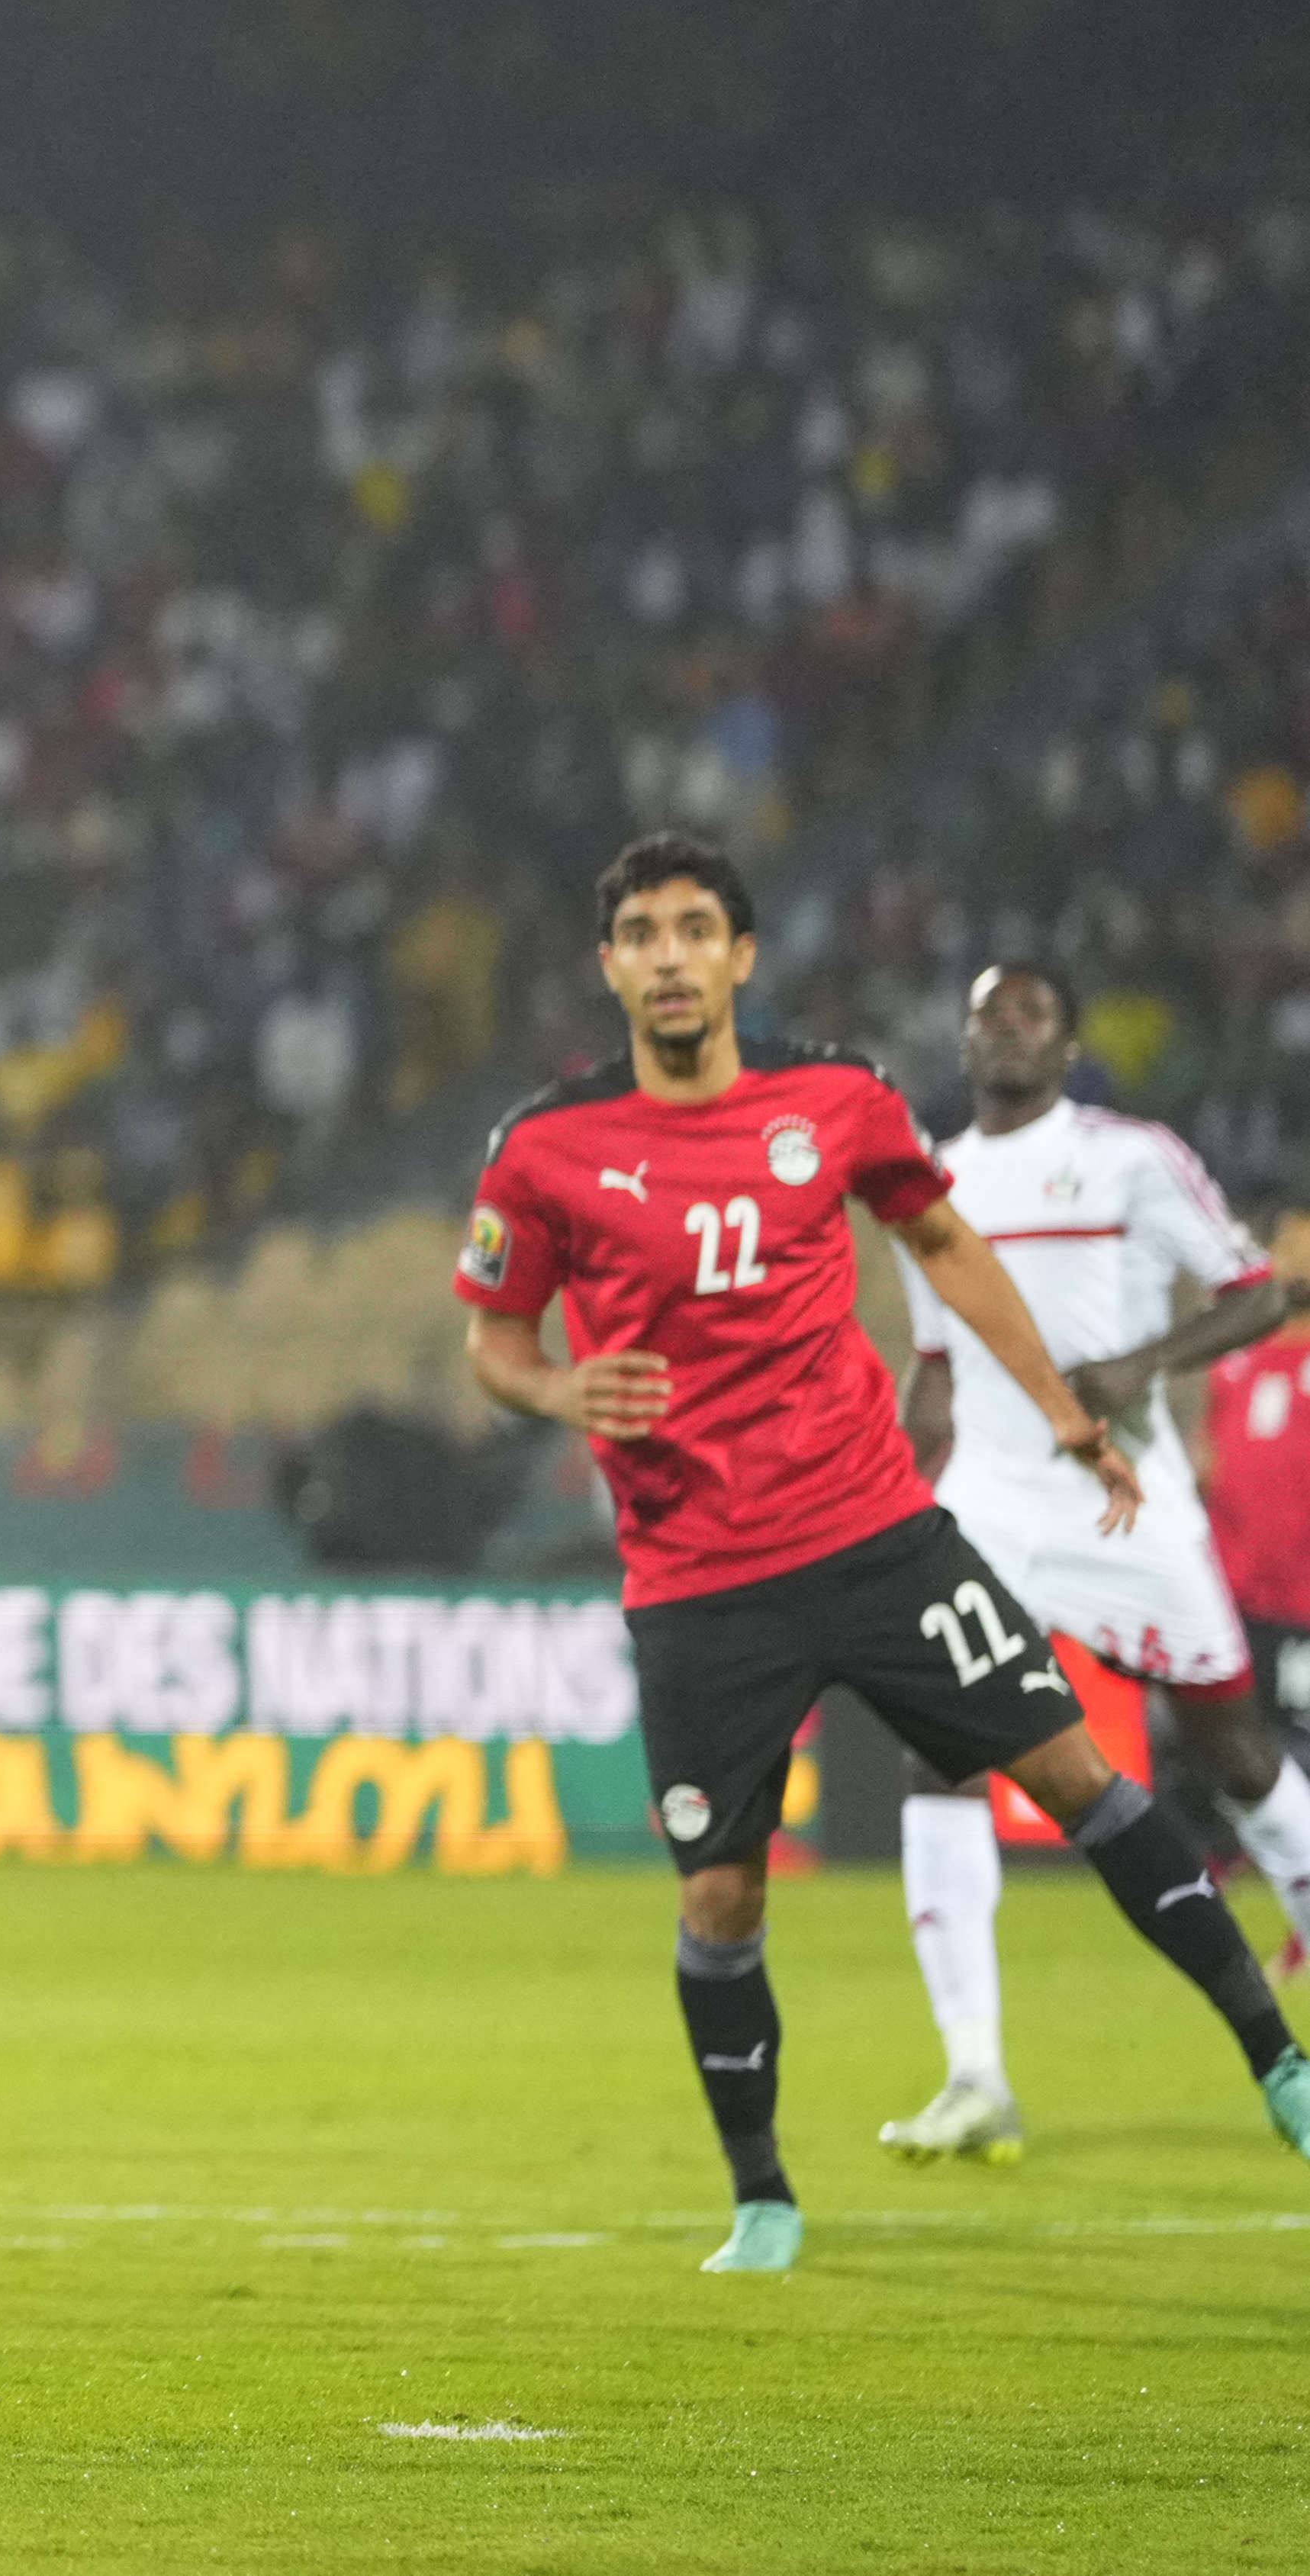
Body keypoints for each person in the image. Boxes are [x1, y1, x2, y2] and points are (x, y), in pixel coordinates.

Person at [453, 831, 1310, 2274]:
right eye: (642, 933)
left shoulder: (835, 1099)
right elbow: (494, 1340)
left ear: (740, 955)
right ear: (610, 966)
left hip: (877, 1534)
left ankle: (1279, 2063)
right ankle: (763, 2197)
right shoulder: (545, 1147)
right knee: (721, 1894)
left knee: (1078, 1773)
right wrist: (552, 1389)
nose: (669, 954)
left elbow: (950, 1250)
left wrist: (1062, 1410)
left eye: (694, 928)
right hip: (695, 1579)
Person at [881, 960, 1303, 2162]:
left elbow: (1255, 1290)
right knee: (938, 1751)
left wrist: (1140, 1367)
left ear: (1066, 1047)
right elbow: (934, 1363)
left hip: (1125, 1504)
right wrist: (905, 1482)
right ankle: (973, 2075)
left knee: (1233, 1752)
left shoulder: (1128, 1154)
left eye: (1031, 1015)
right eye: (987, 1014)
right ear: (962, 1040)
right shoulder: (927, 1180)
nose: (1006, 1030)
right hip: (989, 1505)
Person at [1200, 1188, 1310, 1954]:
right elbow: (1214, 1468)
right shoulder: (1232, 1363)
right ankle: (1231, 1861)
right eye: (1289, 1245)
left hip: (1305, 1602)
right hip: (1236, 1599)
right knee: (1222, 1740)